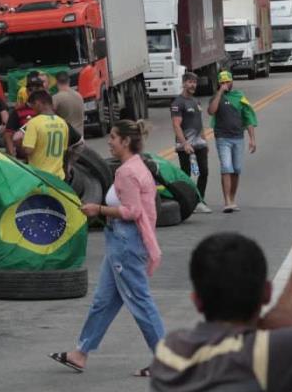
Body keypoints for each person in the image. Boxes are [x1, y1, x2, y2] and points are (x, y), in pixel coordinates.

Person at [150, 233, 292, 391]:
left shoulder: (168, 353)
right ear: (267, 294)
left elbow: (268, 332)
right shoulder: (263, 354)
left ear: (196, 301)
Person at [49, 120, 164, 378]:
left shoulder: (127, 172)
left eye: (112, 137)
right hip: (119, 242)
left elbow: (132, 212)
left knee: (140, 301)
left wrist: (98, 209)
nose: (109, 142)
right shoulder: (132, 167)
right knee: (103, 301)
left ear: (125, 141)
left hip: (127, 243)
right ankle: (81, 353)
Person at [207, 70, 257, 213]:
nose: (225, 84)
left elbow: (248, 119)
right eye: (222, 82)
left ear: (231, 81)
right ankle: (227, 201)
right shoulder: (216, 97)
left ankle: (232, 199)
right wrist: (220, 93)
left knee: (236, 169)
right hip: (222, 137)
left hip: (238, 138)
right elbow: (211, 111)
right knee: (226, 168)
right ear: (219, 83)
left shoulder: (240, 97)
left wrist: (252, 139)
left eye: (227, 82)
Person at [170, 72, 212, 214]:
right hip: (185, 145)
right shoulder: (178, 103)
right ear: (184, 83)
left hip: (199, 143)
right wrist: (185, 144)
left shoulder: (196, 102)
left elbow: (199, 124)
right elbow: (176, 125)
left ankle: (199, 201)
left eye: (194, 82)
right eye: (190, 82)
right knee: (186, 174)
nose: (193, 85)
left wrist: (205, 141)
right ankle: (187, 201)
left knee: (204, 172)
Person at [22, 90, 69, 179]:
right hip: (58, 177)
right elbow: (64, 151)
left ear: (38, 103)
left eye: (33, 106)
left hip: (41, 177)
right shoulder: (63, 123)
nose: (32, 110)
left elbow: (28, 150)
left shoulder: (33, 123)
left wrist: (21, 145)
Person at [4, 74, 44, 158]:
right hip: (25, 158)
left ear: (43, 90)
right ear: (26, 91)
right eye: (30, 89)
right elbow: (8, 135)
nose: (34, 91)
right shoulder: (18, 111)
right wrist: (12, 156)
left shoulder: (48, 110)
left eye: (37, 89)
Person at [52, 71, 85, 136]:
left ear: (56, 82)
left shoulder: (56, 98)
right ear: (69, 80)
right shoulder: (79, 96)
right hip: (80, 137)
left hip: (67, 139)